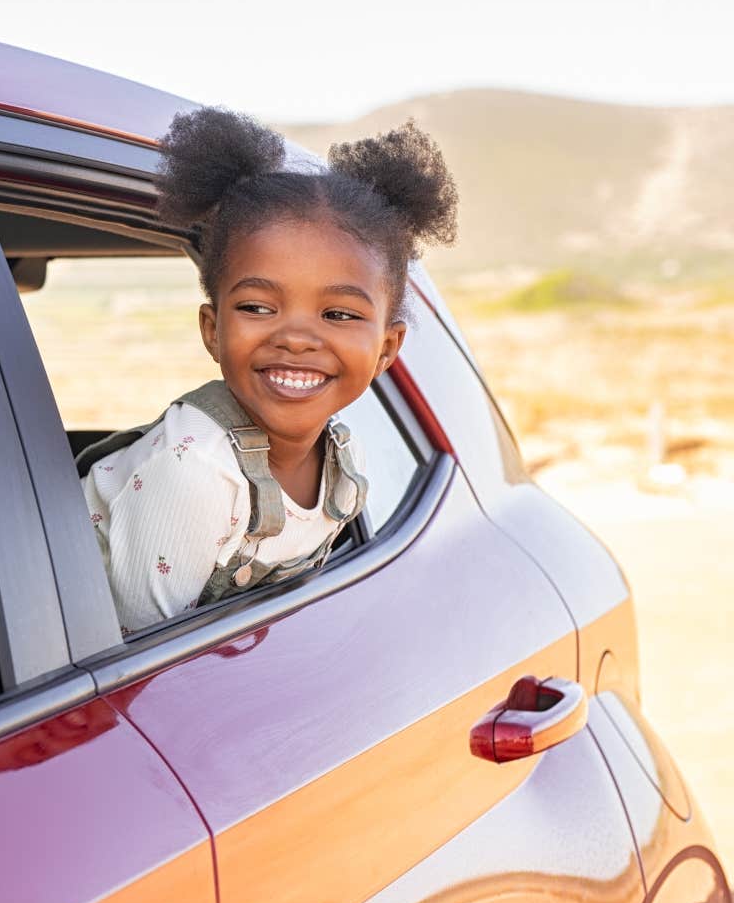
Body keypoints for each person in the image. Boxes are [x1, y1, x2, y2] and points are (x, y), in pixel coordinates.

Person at [78, 107, 458, 633]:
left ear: (388, 348)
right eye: (258, 307)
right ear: (213, 330)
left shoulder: (343, 462)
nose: (296, 338)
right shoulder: (196, 474)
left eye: (338, 315)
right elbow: (140, 670)